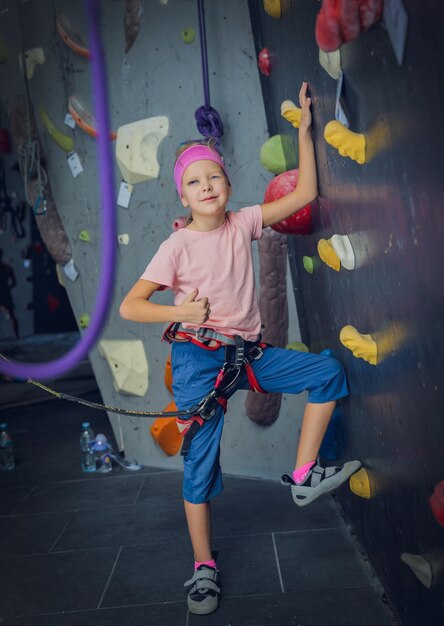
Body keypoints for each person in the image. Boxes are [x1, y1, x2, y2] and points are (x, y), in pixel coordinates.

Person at [120, 82, 361, 616]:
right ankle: (203, 567)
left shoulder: (246, 221)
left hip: (247, 355)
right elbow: (131, 307)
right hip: (198, 362)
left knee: (326, 374)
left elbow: (301, 197)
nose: (206, 186)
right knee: (199, 470)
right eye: (194, 181)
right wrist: (180, 312)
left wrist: (303, 134)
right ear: (182, 196)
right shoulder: (176, 245)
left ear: (227, 184)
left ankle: (303, 475)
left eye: (214, 176)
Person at [0, 248, 19, 339]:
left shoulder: (7, 268)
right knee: (12, 315)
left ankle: (17, 336)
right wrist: (7, 288)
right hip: (6, 293)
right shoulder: (7, 268)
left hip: (5, 293)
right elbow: (14, 282)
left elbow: (14, 282)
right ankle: (17, 336)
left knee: (12, 315)